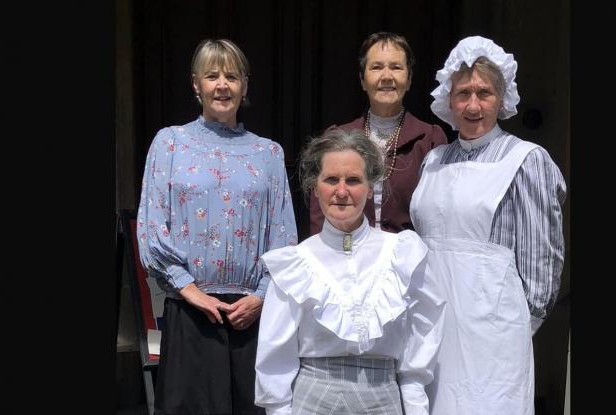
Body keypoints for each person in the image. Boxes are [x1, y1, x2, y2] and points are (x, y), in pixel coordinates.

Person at [136, 38, 297, 415]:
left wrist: (260, 295)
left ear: (245, 84)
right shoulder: (170, 143)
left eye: (231, 76)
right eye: (212, 76)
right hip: (190, 312)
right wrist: (188, 289)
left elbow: (284, 235)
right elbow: (152, 223)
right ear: (196, 85)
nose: (222, 85)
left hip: (250, 317)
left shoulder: (268, 153)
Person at [409, 36, 567, 414]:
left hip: (494, 337)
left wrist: (512, 328)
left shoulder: (525, 160)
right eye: (463, 93)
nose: (473, 105)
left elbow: (541, 260)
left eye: (485, 92)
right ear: (449, 100)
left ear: (503, 98)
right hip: (431, 325)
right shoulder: (434, 160)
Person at [254, 129, 446, 415]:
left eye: (353, 180)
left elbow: (422, 336)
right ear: (315, 186)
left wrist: (416, 407)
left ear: (370, 187)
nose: (341, 191)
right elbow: (276, 356)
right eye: (331, 179)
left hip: (384, 397)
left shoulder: (402, 254)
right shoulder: (296, 263)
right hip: (312, 399)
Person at [309, 32, 447, 234]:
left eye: (396, 67)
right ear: (363, 80)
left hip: (408, 260)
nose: (387, 76)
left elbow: (440, 213)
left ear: (409, 80)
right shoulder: (337, 137)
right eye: (376, 67)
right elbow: (320, 210)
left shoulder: (430, 139)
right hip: (347, 256)